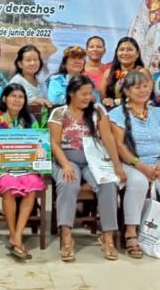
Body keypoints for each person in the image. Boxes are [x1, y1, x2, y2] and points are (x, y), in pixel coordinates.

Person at [49, 75, 125, 262]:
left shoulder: (98, 110)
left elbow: (108, 138)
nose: (88, 98)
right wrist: (65, 165)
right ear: (71, 94)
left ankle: (107, 237)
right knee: (68, 182)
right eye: (83, 94)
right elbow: (54, 143)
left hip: (94, 159)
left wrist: (116, 166)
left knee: (108, 183)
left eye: (90, 94)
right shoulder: (59, 113)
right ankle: (66, 236)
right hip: (66, 158)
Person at [108, 71, 160, 259]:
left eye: (146, 86)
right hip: (130, 163)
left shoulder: (158, 113)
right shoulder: (117, 114)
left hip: (159, 162)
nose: (143, 90)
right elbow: (119, 146)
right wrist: (141, 166)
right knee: (138, 182)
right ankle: (131, 233)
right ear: (126, 90)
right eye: (137, 87)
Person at [0, 83, 45, 260]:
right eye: (13, 96)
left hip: (24, 166)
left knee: (32, 187)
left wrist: (39, 164)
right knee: (9, 187)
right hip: (2, 167)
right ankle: (14, 234)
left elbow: (38, 144)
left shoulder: (30, 119)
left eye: (21, 97)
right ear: (5, 98)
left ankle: (16, 235)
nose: (17, 100)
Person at [100, 37, 151, 108]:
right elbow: (102, 98)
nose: (125, 53)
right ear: (117, 52)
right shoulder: (108, 73)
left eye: (129, 50)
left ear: (137, 54)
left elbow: (144, 98)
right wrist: (106, 101)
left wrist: (115, 102)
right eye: (121, 49)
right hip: (111, 113)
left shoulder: (142, 72)